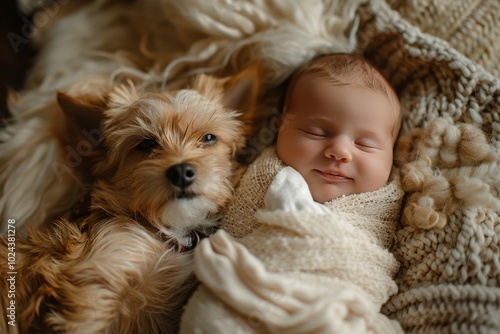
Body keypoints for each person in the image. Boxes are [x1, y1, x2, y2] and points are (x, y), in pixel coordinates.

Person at [180, 54, 405, 334]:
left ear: (393, 153)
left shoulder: (384, 204)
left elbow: (373, 265)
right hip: (250, 291)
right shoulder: (266, 175)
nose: (340, 151)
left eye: (365, 144)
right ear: (279, 127)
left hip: (336, 302)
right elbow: (236, 227)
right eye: (316, 132)